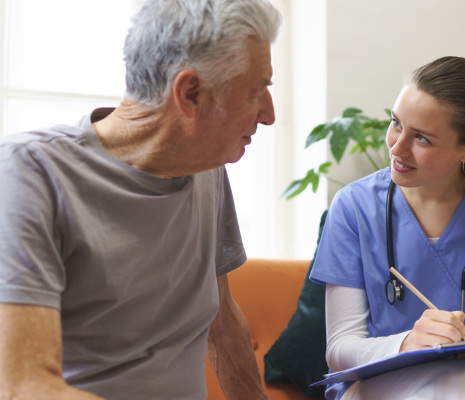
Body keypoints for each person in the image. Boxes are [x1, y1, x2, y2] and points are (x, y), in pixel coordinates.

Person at [0, 0, 282, 399]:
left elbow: (221, 321)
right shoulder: (29, 173)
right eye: (257, 91)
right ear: (191, 93)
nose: (269, 115)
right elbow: (26, 386)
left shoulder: (207, 167)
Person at [309, 56, 465, 400]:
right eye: (396, 123)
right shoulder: (353, 207)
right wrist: (408, 343)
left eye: (421, 138)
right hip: (379, 388)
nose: (396, 147)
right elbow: (340, 349)